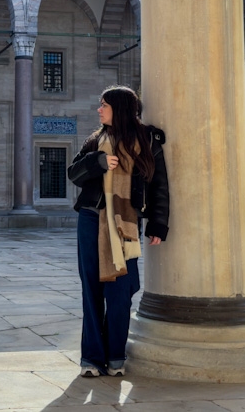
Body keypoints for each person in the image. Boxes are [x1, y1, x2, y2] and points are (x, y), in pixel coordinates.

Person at [68, 85, 169, 378]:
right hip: (91, 219)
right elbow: (74, 174)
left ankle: (115, 356)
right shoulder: (95, 141)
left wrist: (158, 223)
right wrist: (96, 163)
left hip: (125, 224)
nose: (99, 110)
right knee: (91, 289)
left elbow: (159, 185)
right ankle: (91, 358)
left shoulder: (147, 141)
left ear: (120, 109)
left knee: (121, 291)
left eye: (104, 105)